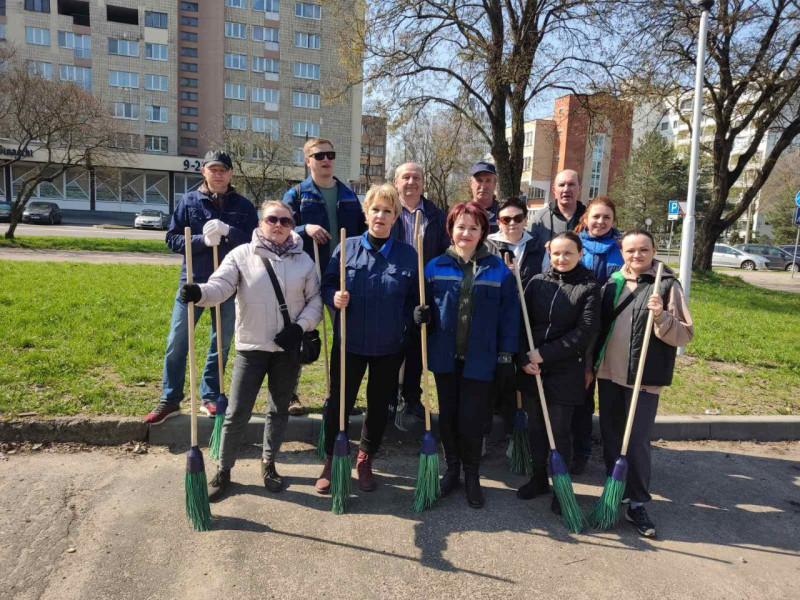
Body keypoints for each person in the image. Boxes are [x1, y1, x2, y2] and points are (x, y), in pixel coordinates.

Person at [180, 202, 322, 499]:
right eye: (272, 219)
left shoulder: (305, 260)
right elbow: (220, 286)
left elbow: (315, 301)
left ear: (292, 225)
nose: (279, 225)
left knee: (278, 410)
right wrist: (200, 293)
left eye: (285, 221)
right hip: (251, 348)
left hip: (287, 349)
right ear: (261, 223)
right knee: (236, 412)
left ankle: (269, 463)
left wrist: (300, 328)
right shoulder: (242, 254)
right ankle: (224, 469)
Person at [416, 202, 519, 509]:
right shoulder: (434, 267)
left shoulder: (498, 270)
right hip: (445, 357)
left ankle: (472, 475)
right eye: (461, 226)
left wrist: (506, 356)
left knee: (472, 420)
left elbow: (509, 316)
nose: (466, 233)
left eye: (474, 227)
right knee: (448, 417)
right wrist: (418, 315)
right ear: (451, 230)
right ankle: (452, 470)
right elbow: (422, 307)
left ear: (482, 231)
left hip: (481, 359)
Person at [316, 184, 418, 494]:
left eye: (388, 211)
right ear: (366, 213)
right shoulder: (346, 248)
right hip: (350, 342)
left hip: (389, 346)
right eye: (375, 209)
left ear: (395, 217)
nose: (380, 216)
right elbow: (327, 284)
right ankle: (333, 458)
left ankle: (365, 457)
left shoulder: (408, 255)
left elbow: (414, 300)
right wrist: (333, 297)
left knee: (378, 404)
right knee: (339, 402)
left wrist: (410, 321)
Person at [144, 150, 259, 425]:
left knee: (221, 344)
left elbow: (254, 243)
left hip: (229, 286)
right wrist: (202, 241)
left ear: (231, 173)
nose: (218, 174)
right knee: (177, 342)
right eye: (213, 169)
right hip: (192, 284)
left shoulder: (243, 206)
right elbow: (172, 239)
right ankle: (170, 398)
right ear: (204, 171)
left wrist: (228, 231)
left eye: (223, 170)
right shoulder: (189, 201)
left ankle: (211, 395)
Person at [593, 229, 694, 538]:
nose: (636, 255)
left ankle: (637, 502)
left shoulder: (667, 285)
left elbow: (684, 335)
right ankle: (616, 491)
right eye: (630, 250)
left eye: (643, 250)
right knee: (612, 436)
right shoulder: (613, 283)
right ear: (622, 252)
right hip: (609, 373)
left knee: (636, 441)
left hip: (643, 377)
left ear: (654, 250)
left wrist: (661, 315)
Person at [515, 231, 600, 515]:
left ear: (580, 254)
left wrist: (545, 354)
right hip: (533, 368)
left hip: (565, 370)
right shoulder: (537, 282)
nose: (561, 259)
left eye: (568, 253)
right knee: (536, 427)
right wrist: (523, 358)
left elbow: (584, 332)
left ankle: (561, 486)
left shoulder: (589, 287)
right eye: (556, 254)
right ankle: (538, 477)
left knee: (559, 430)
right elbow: (521, 323)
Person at [282, 138, 367, 416]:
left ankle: (341, 397)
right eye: (319, 156)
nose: (326, 160)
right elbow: (280, 227)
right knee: (298, 333)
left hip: (340, 276)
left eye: (330, 154)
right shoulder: (296, 194)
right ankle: (290, 395)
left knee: (344, 338)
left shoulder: (349, 195)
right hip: (305, 274)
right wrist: (304, 228)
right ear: (308, 161)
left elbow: (362, 233)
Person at [390, 163, 450, 424]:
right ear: (396, 182)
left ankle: (412, 397)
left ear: (423, 183)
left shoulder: (436, 215)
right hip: (393, 288)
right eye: (406, 177)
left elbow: (446, 250)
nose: (411, 182)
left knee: (417, 344)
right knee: (392, 344)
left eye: (416, 177)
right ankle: (389, 396)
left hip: (423, 290)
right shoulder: (388, 209)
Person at [569, 197, 624, 475]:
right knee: (582, 392)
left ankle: (615, 453)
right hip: (580, 328)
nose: (600, 222)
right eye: (596, 216)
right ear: (586, 218)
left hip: (614, 329)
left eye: (606, 217)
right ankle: (580, 450)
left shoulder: (623, 248)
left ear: (613, 221)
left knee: (612, 396)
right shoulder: (573, 244)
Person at [485, 196, 544, 448]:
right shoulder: (488, 244)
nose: (512, 223)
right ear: (499, 221)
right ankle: (483, 433)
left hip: (525, 321)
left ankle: (515, 434)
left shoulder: (537, 248)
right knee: (490, 377)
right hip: (493, 321)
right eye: (506, 219)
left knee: (518, 378)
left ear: (525, 219)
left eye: (518, 218)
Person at [527, 169, 587, 270]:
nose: (566, 189)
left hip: (583, 277)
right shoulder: (540, 218)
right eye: (562, 185)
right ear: (554, 190)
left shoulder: (589, 218)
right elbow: (528, 252)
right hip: (548, 277)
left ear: (580, 188)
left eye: (571, 184)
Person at [469, 161, 500, 233]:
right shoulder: (462, 213)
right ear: (471, 183)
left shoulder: (504, 213)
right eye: (479, 180)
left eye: (488, 180)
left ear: (494, 184)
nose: (483, 186)